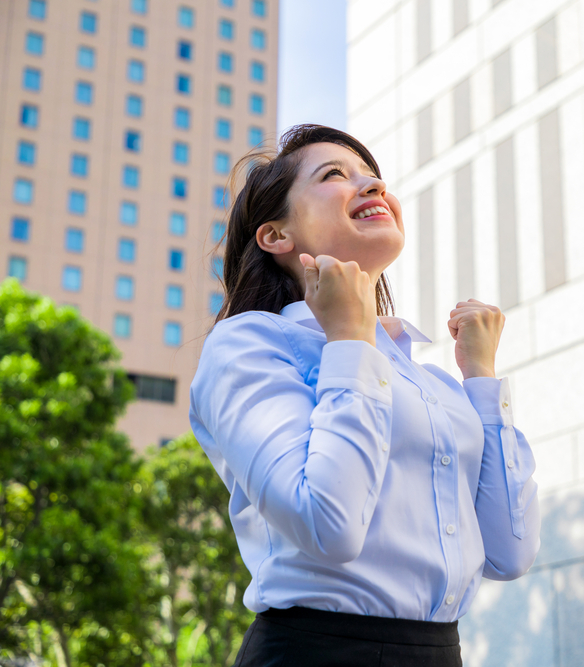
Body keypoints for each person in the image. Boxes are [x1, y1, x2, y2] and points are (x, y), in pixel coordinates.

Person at [188, 124, 541, 666]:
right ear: (276, 236)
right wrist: (351, 339)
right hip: (315, 654)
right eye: (335, 175)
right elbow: (326, 524)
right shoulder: (249, 344)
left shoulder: (432, 386)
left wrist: (481, 380)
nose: (373, 187)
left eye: (375, 179)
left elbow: (510, 553)